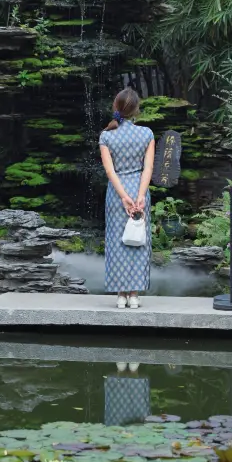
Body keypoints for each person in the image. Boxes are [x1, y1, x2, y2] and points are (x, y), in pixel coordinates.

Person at [99, 87, 155, 309]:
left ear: (116, 107)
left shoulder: (106, 136)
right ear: (136, 110)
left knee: (117, 241)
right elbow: (148, 167)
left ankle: (121, 295)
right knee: (138, 240)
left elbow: (110, 171)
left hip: (117, 193)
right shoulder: (147, 134)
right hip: (140, 192)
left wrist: (123, 196)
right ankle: (135, 295)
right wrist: (140, 195)